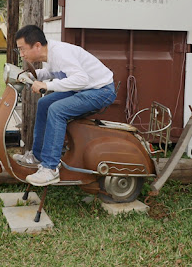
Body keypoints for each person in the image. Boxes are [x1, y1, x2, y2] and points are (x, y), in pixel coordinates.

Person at [12, 25, 116, 186]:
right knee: (44, 103)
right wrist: (33, 75)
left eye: (23, 49)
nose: (22, 54)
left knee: (57, 110)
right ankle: (38, 155)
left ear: (37, 45)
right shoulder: (51, 52)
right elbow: (54, 73)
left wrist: (47, 86)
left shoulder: (60, 53)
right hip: (84, 89)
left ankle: (50, 168)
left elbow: (81, 79)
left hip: (101, 91)